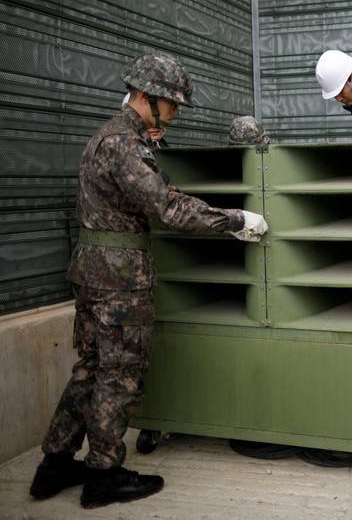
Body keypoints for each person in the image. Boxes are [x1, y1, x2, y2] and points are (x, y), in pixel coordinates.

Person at [29, 53, 269, 509]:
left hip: (92, 269)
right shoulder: (124, 144)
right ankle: (104, 474)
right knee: (120, 375)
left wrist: (151, 146)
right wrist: (236, 219)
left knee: (91, 368)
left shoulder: (109, 135)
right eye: (171, 104)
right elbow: (167, 207)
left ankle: (54, 464)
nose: (175, 112)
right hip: (119, 276)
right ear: (145, 97)